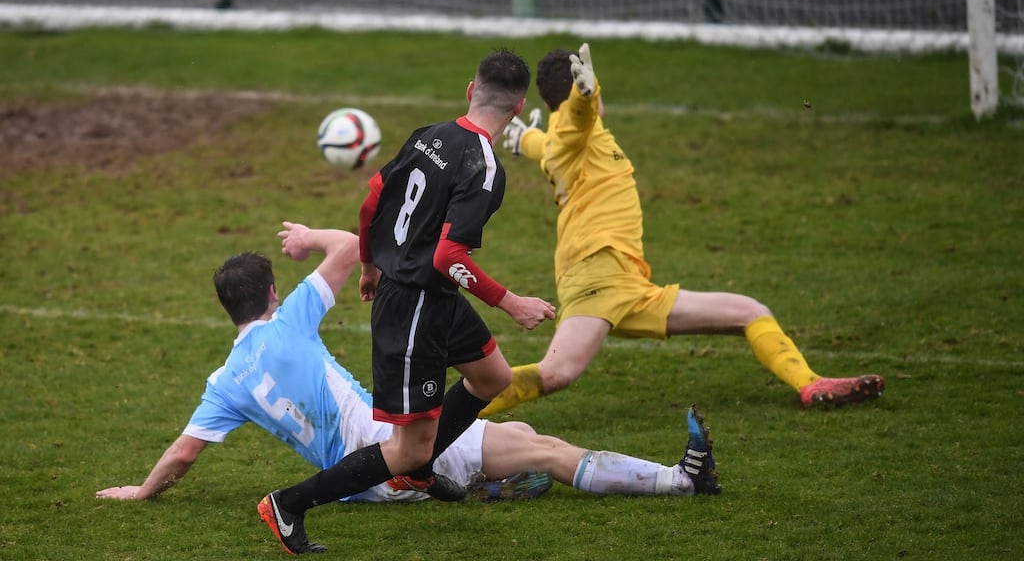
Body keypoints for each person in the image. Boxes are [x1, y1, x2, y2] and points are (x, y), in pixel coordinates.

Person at [95, 223, 721, 549]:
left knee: (521, 433)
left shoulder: (223, 382)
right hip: (389, 449)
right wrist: (309, 238)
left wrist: (142, 492)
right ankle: (682, 479)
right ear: (272, 294)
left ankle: (484, 486)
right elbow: (351, 245)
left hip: (360, 482)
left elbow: (183, 454)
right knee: (546, 449)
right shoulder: (291, 319)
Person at [256, 48, 560, 555]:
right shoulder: (485, 169)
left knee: (493, 378)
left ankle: (418, 473)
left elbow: (371, 201)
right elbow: (448, 256)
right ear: (518, 105)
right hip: (415, 304)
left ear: (471, 89)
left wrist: (371, 265)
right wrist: (511, 302)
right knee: (407, 446)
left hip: (428, 294)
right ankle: (288, 504)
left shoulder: (429, 135)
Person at [483, 42, 884, 417]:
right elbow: (577, 117)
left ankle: (810, 384)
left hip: (629, 283)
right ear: (576, 88)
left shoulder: (560, 139)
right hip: (597, 276)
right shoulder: (575, 128)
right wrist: (584, 95)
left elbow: (548, 140)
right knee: (555, 374)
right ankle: (442, 419)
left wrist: (524, 138)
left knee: (749, 312)